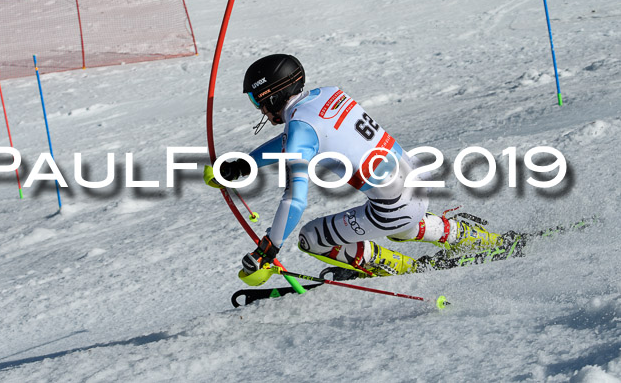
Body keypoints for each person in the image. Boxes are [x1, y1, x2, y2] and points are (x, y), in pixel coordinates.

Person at [206, 54, 502, 279]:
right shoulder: (327, 94)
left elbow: (294, 199)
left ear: (270, 96)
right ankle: (467, 236)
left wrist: (268, 249)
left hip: (394, 209)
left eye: (256, 101)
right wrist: (243, 166)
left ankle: (400, 269)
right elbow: (294, 139)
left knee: (311, 239)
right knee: (402, 223)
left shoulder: (300, 130)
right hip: (418, 182)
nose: (259, 110)